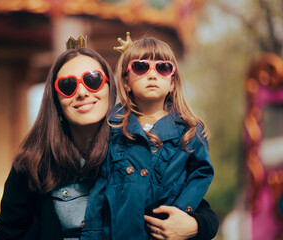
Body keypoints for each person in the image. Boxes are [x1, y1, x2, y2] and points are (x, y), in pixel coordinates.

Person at [0, 43, 218, 240]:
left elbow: (199, 209)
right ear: (56, 98)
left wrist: (195, 226)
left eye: (93, 80)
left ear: (111, 87)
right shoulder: (34, 162)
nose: (81, 92)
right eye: (68, 86)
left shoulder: (135, 145)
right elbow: (8, 234)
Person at [81, 35, 215, 240]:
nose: (152, 75)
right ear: (126, 81)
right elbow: (99, 189)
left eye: (162, 68)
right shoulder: (111, 128)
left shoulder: (189, 131)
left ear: (172, 82)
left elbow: (201, 174)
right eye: (141, 67)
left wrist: (181, 212)